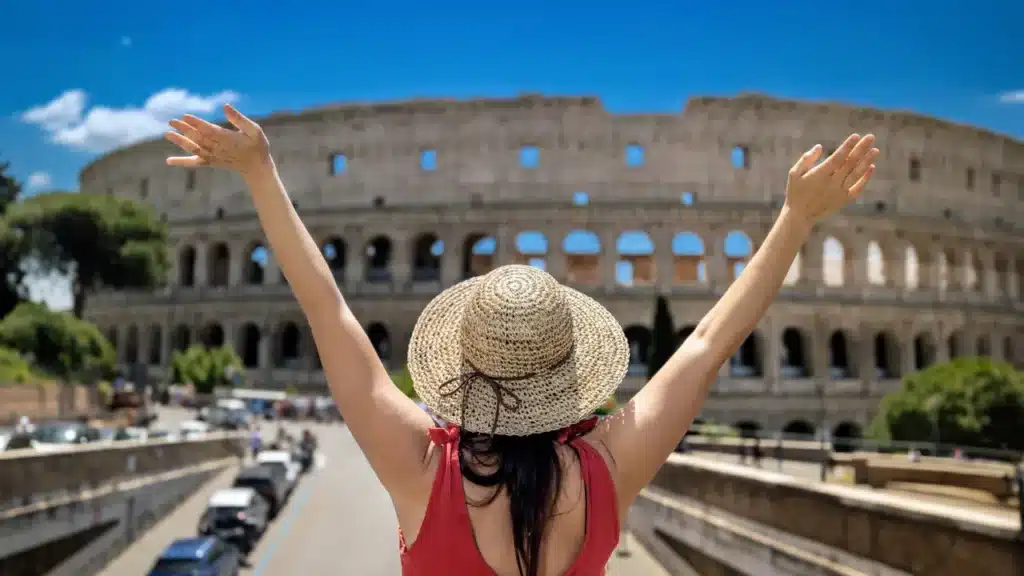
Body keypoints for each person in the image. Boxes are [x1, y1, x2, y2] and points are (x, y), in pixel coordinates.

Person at [163, 104, 878, 576]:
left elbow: (327, 309)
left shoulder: (421, 469)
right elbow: (707, 345)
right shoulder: (605, 470)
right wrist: (795, 219)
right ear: (569, 368)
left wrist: (261, 173)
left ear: (461, 369)